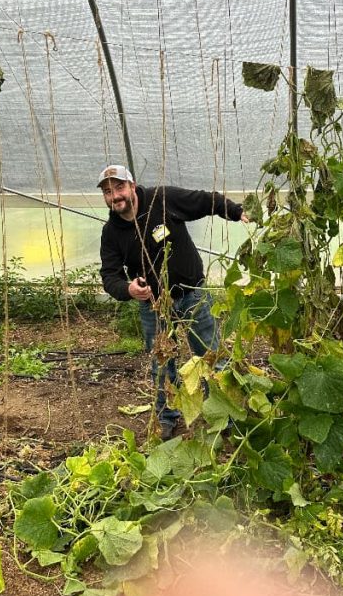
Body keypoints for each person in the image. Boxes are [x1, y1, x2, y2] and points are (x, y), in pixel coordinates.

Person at [97, 164, 247, 440]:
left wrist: (235, 212)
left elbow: (203, 201)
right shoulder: (111, 232)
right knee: (162, 365)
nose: (115, 195)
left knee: (211, 357)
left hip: (192, 293)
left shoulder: (162, 200)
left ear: (131, 185)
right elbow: (110, 275)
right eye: (108, 192)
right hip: (154, 306)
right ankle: (167, 418)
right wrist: (129, 289)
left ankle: (224, 414)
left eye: (119, 187)